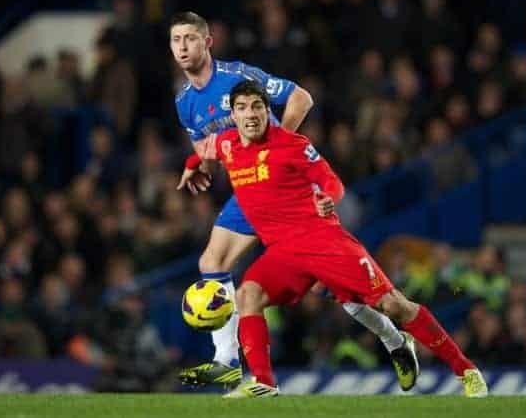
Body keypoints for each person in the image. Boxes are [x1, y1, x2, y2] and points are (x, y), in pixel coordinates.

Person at [185, 80, 488, 399]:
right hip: (283, 252)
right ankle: (264, 382)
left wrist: (327, 198)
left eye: (258, 106)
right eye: (243, 108)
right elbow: (204, 151)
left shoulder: (291, 144)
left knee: (393, 305)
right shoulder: (227, 143)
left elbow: (332, 182)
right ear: (232, 114)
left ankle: (466, 371)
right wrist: (193, 168)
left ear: (267, 111)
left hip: (323, 241)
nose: (251, 114)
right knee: (249, 293)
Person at [170, 12, 419, 389]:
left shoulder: (238, 77)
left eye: (191, 38)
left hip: (287, 195)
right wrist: (198, 165)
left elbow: (301, 98)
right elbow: (208, 148)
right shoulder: (185, 102)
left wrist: (274, 151)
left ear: (208, 42)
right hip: (251, 195)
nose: (184, 46)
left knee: (337, 289)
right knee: (211, 260)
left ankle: (395, 339)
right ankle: (225, 359)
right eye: (177, 40)